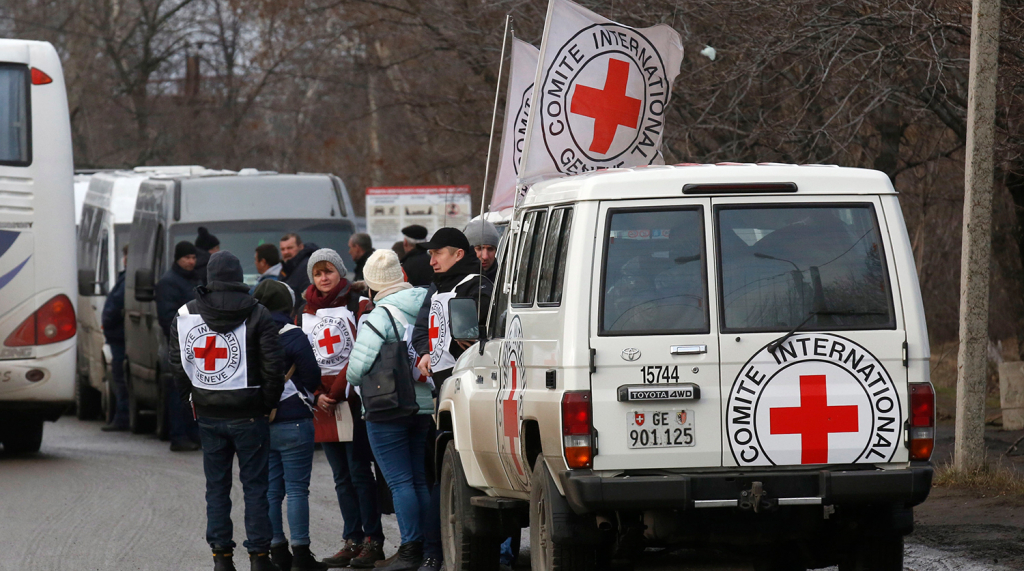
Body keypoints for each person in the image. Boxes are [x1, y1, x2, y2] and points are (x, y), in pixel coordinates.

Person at [169, 251, 286, 571]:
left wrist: (191, 399)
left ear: (209, 277)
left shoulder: (185, 313)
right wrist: (268, 404)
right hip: (250, 413)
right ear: (238, 277)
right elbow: (273, 367)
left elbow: (178, 365)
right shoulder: (259, 313)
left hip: (208, 413)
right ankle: (260, 558)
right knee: (256, 488)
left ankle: (221, 559)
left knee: (216, 488)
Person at [346, 250, 438, 571]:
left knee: (399, 482)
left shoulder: (378, 316)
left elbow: (356, 369)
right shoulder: (428, 305)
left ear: (372, 284)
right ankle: (428, 548)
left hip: (388, 409)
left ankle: (409, 549)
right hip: (424, 405)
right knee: (418, 480)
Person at [301, 248, 387, 569]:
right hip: (323, 402)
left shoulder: (358, 304)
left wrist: (336, 392)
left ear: (340, 273)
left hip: (351, 399)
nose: (324, 278)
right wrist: (317, 393)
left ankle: (372, 540)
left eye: (329, 271)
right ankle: (351, 538)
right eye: (318, 273)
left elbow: (361, 351)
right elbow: (303, 357)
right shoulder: (305, 312)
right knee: (340, 475)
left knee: (359, 471)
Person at [252, 280, 327, 571]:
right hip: (295, 419)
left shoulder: (249, 333)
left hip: (261, 420)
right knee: (297, 490)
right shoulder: (293, 334)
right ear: (287, 305)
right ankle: (301, 555)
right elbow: (311, 375)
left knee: (271, 490)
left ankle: (277, 551)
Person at [411, 228, 493, 388]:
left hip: (470, 383)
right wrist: (427, 352)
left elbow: (486, 328)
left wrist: (471, 331)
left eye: (438, 253)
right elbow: (423, 328)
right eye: (431, 254)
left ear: (458, 255)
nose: (432, 261)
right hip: (442, 382)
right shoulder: (439, 286)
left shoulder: (478, 285)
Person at [156, 240, 203, 452]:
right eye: (187, 258)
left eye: (193, 257)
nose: (191, 261)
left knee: (194, 392)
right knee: (178, 392)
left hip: (198, 344)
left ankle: (193, 434)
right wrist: (181, 339)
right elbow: (167, 318)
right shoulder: (168, 282)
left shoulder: (195, 279)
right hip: (180, 345)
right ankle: (178, 436)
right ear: (178, 259)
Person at [101, 244, 130, 432]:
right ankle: (121, 416)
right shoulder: (125, 277)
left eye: (126, 255)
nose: (124, 259)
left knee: (120, 378)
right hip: (118, 335)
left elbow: (116, 305)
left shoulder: (126, 279)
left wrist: (108, 321)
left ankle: (122, 417)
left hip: (120, 336)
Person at [280, 233, 319, 305]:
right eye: (283, 249)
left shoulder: (307, 267)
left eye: (290, 248)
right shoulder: (286, 268)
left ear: (301, 247)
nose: (286, 252)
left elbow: (308, 296)